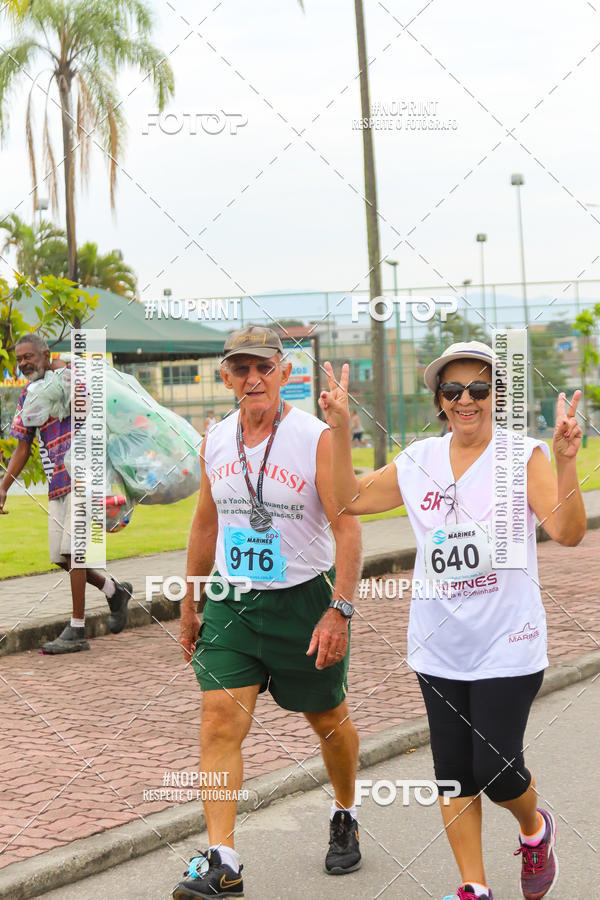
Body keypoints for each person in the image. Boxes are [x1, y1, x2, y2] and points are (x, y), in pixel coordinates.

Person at [320, 341, 586, 900]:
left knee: (495, 770)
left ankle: (535, 828)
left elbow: (567, 533)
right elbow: (347, 499)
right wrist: (340, 428)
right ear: (440, 399)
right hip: (438, 644)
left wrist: (566, 464)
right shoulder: (419, 460)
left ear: (496, 396)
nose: (467, 400)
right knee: (452, 774)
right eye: (453, 389)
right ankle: (473, 886)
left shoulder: (524, 456)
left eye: (480, 388)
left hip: (508, 641)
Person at [172, 325, 363, 900]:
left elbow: (348, 528)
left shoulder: (315, 437)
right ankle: (223, 862)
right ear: (226, 376)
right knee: (218, 721)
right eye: (241, 368)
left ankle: (346, 810)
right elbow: (206, 524)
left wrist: (339, 610)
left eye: (263, 367)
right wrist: (190, 601)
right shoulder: (216, 439)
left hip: (304, 600)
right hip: (233, 601)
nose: (253, 378)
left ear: (284, 372)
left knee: (329, 722)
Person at [0, 333, 132, 654]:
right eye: (19, 359)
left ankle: (77, 629)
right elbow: (22, 447)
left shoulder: (71, 376)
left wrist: (63, 370)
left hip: (85, 477)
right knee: (61, 558)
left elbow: (95, 407)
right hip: (56, 482)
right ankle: (114, 591)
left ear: (46, 354)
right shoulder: (28, 396)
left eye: (29, 356)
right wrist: (3, 487)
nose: (24, 363)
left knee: (75, 552)